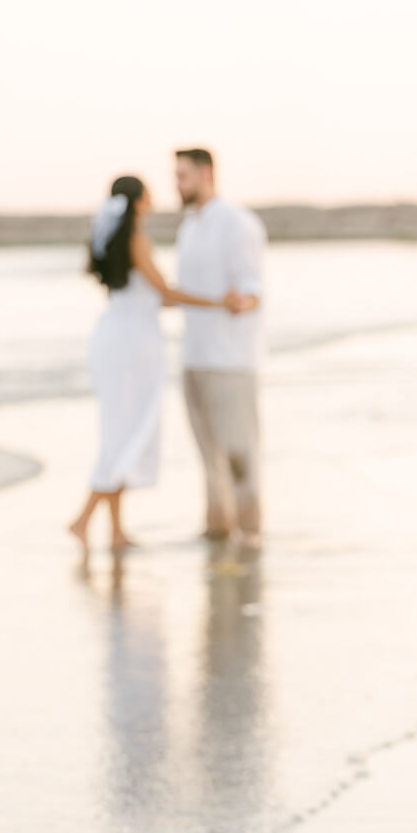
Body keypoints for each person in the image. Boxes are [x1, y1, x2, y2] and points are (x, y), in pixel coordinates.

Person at [68, 174, 241, 559]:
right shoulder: (135, 241)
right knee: (125, 430)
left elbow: (152, 297)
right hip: (132, 344)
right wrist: (219, 302)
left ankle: (114, 530)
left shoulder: (114, 241)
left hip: (118, 338)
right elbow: (165, 294)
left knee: (121, 428)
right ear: (139, 201)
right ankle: (82, 520)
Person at [175, 148, 267, 544]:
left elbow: (253, 289)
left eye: (183, 176)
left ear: (206, 173)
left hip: (231, 359)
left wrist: (242, 303)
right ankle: (217, 527)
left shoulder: (237, 223)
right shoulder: (188, 226)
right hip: (193, 355)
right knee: (208, 453)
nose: (177, 184)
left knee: (238, 453)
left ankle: (249, 532)